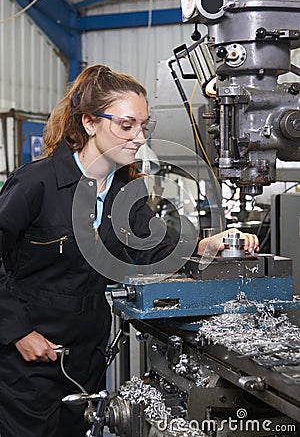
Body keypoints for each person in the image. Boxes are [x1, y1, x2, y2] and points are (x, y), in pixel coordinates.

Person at [0, 64, 259, 437]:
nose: (139, 137)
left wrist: (210, 245)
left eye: (143, 126)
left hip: (87, 356)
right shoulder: (37, 183)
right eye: (126, 125)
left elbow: (161, 252)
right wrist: (19, 332)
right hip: (28, 359)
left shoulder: (126, 192)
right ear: (90, 122)